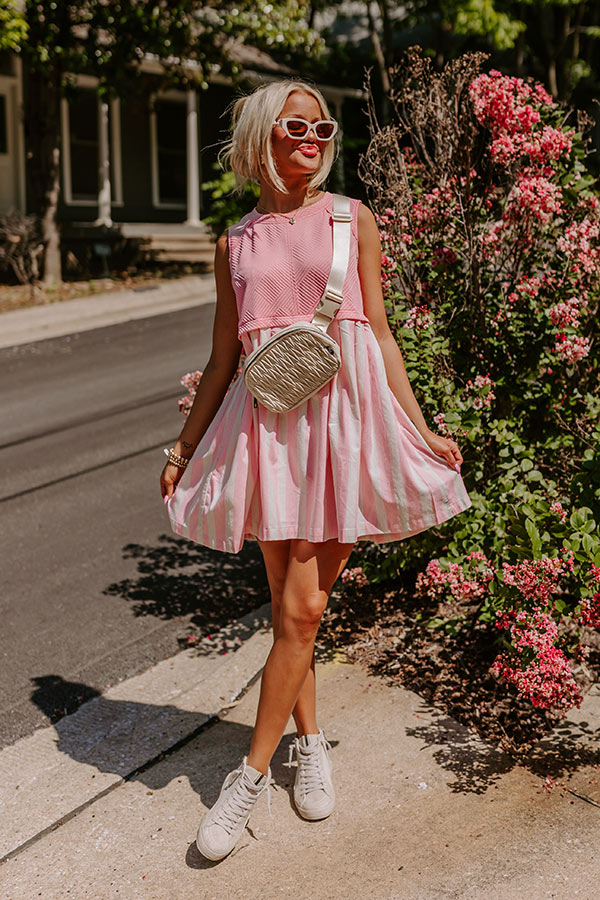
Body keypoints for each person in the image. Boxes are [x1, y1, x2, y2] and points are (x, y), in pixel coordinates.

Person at [159, 78, 472, 861]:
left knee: (300, 613)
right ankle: (312, 741)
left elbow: (385, 335)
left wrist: (420, 428)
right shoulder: (236, 242)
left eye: (323, 126)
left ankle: (249, 776)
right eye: (297, 125)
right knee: (285, 608)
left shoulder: (350, 218)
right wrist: (184, 449)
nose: (314, 137)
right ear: (264, 134)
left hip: (344, 428)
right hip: (269, 430)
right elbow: (223, 356)